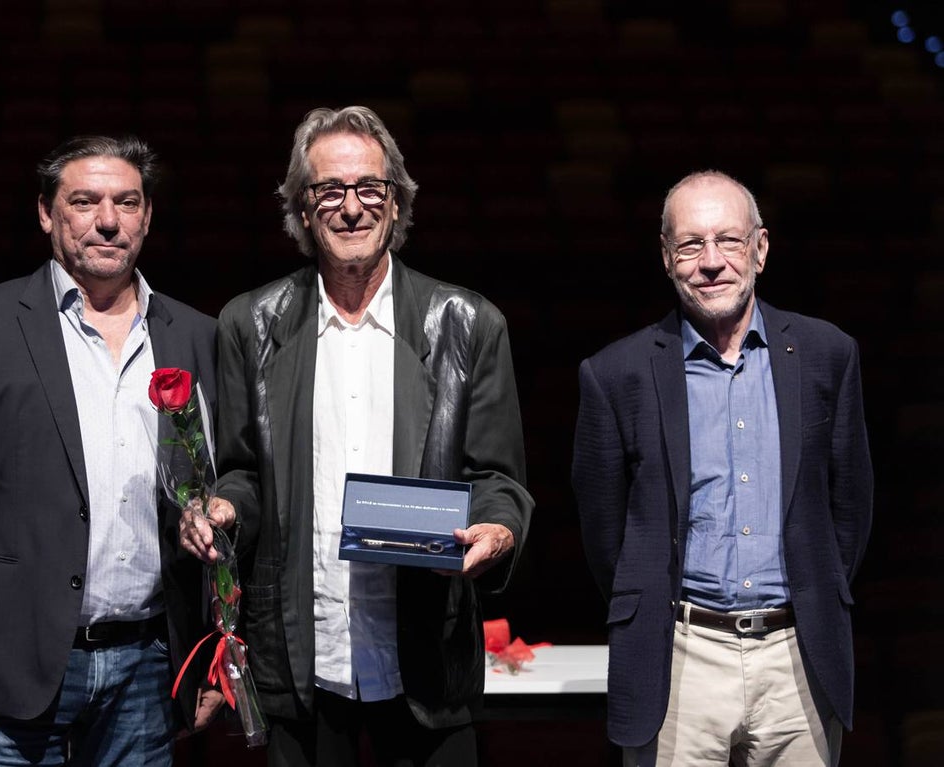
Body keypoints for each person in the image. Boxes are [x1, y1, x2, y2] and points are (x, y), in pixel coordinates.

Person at [178, 105, 534, 767]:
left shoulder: (468, 322)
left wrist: (497, 529)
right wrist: (223, 507)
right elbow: (243, 474)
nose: (352, 207)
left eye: (371, 188)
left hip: (425, 657)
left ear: (397, 204)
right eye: (329, 191)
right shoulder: (249, 324)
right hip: (302, 661)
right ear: (302, 211)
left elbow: (499, 480)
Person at [0, 134, 223, 766]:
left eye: (127, 202)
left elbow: (216, 497)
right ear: (46, 213)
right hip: (8, 663)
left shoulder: (197, 335)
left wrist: (214, 653)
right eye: (85, 201)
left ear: (147, 216)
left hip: (147, 667)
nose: (107, 220)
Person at [571, 169, 873, 766]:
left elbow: (850, 507)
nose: (711, 261)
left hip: (797, 659)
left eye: (729, 241)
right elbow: (605, 534)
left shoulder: (828, 354)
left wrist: (812, 596)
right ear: (666, 257)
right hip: (679, 659)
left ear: (760, 248)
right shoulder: (615, 374)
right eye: (690, 245)